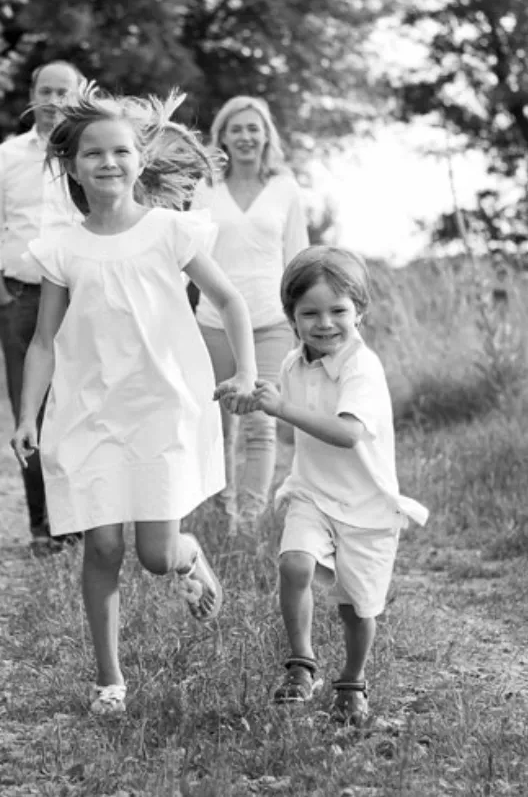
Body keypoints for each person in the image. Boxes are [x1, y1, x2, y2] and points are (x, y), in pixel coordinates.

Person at [10, 87, 261, 716]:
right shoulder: (62, 248)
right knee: (102, 548)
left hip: (161, 409)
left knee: (153, 556)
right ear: (71, 165)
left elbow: (230, 302)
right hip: (89, 412)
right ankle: (109, 682)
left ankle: (188, 554)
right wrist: (24, 417)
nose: (109, 162)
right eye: (93, 153)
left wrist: (248, 373)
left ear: (139, 161)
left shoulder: (169, 232)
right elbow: (43, 342)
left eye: (121, 150)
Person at [231, 246, 429, 726]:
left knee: (357, 609)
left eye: (338, 310)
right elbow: (287, 423)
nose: (325, 323)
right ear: (291, 317)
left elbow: (345, 433)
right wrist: (249, 399)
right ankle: (301, 665)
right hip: (313, 493)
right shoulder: (292, 365)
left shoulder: (362, 367)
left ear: (360, 310)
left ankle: (352, 680)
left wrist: (279, 408)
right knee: (294, 564)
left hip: (367, 506)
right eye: (309, 313)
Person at [0, 61, 87, 556]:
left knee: (79, 407)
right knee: (30, 411)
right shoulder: (6, 156)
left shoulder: (87, 153)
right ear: (32, 94)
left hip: (80, 298)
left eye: (64, 91)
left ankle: (77, 522)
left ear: (79, 97)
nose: (54, 99)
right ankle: (43, 527)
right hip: (20, 297)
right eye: (46, 90)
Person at [191, 96, 309, 530]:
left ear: (266, 135)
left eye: (253, 128)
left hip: (271, 322)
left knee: (261, 423)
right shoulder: (205, 187)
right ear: (222, 136)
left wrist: (301, 320)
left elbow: (298, 254)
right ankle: (220, 512)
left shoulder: (285, 187)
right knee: (219, 424)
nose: (245, 136)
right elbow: (189, 253)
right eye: (236, 128)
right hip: (213, 322)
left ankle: (250, 517)